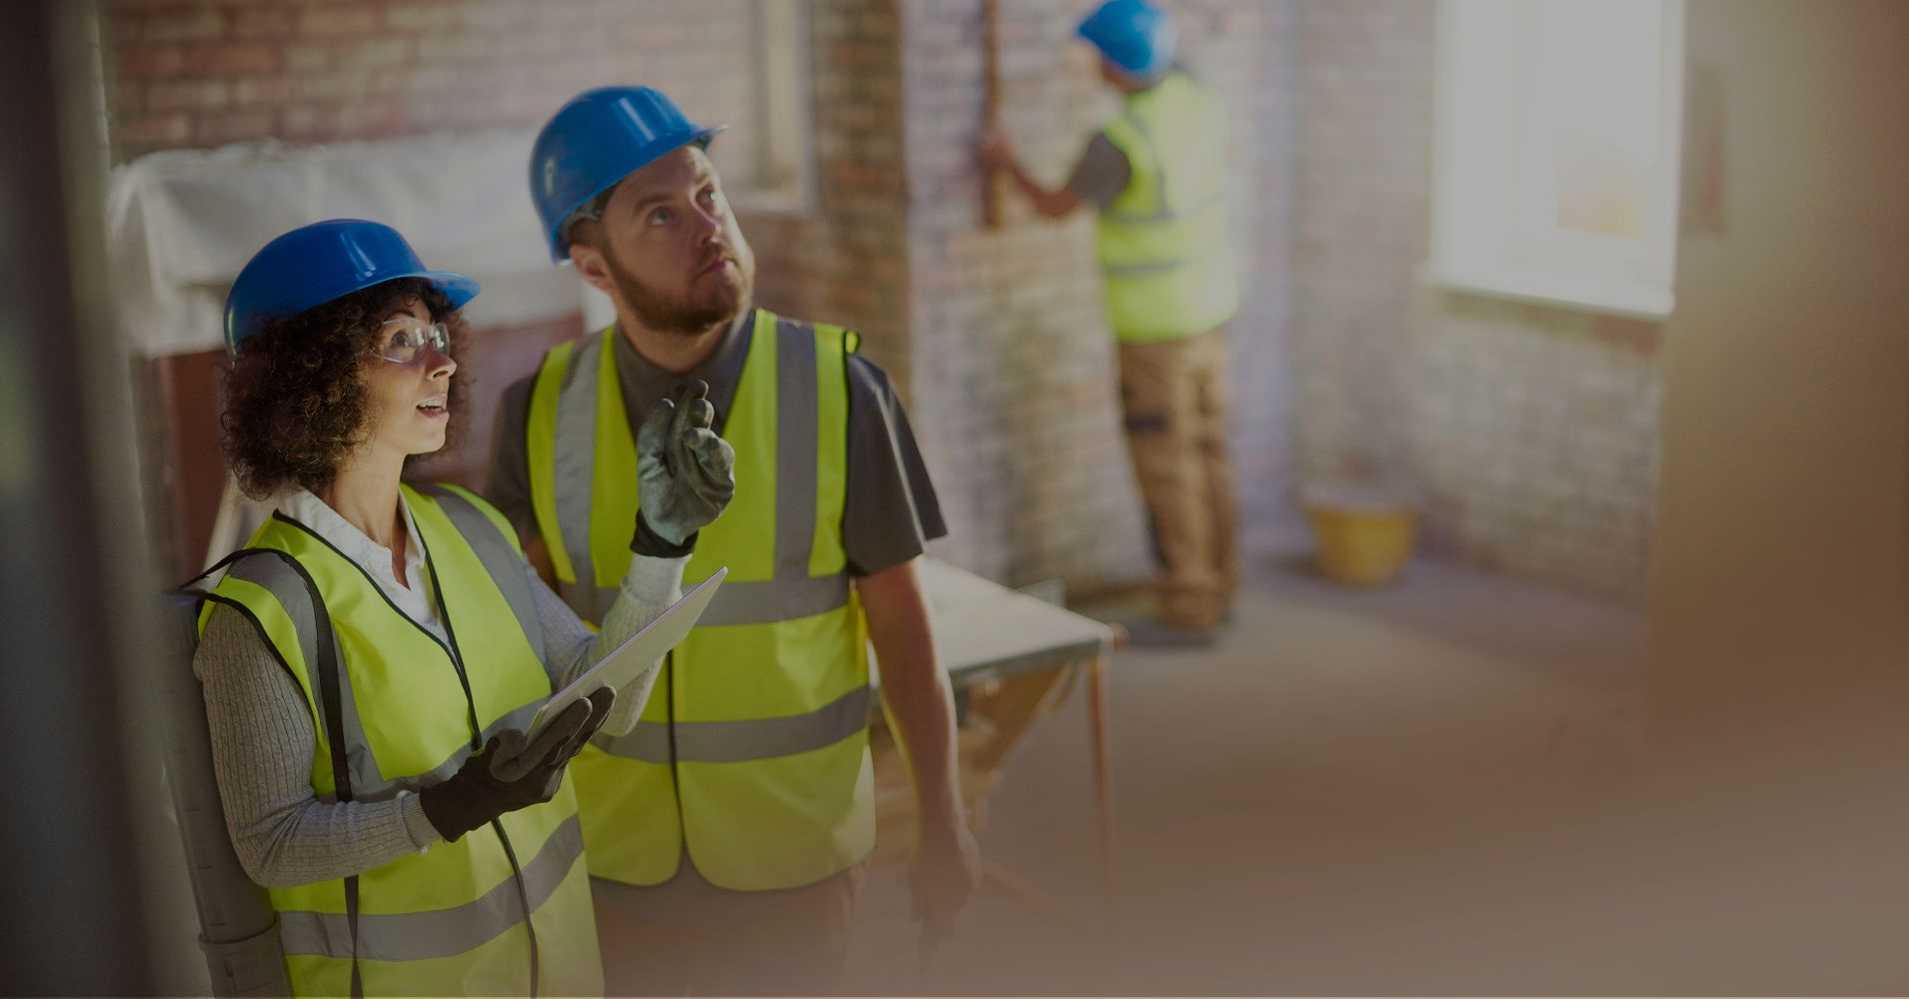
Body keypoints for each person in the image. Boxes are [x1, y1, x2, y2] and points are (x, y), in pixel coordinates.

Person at [486, 85, 978, 994]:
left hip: (792, 857)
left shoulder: (840, 388)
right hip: (611, 857)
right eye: (661, 215)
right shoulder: (535, 413)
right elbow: (527, 645)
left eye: (709, 193)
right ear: (594, 268)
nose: (707, 227)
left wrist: (944, 821)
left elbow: (903, 627)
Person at [187, 218, 734, 997]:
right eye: (401, 341)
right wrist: (441, 810)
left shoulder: (470, 528)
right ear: (314, 376)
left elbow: (605, 705)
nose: (442, 361)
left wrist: (662, 542)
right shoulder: (263, 612)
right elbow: (272, 845)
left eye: (437, 333)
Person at [981, 0, 1242, 643]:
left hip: (1156, 331)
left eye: (1100, 56)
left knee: (1166, 462)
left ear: (1119, 66)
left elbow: (1053, 206)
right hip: (1210, 310)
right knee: (1208, 452)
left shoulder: (1118, 144)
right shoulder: (1193, 97)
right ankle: (1220, 582)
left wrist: (1003, 160)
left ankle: (1189, 602)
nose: (1092, 66)